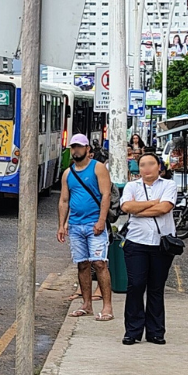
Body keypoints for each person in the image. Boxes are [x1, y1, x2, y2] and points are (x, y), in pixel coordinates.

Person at [119, 153, 177, 345]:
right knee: (135, 285)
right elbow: (126, 206)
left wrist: (139, 209)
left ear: (159, 166)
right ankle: (133, 331)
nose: (147, 168)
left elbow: (164, 209)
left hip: (162, 243)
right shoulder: (131, 186)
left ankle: (156, 332)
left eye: (151, 164)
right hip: (136, 242)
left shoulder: (169, 185)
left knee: (156, 288)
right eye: (142, 164)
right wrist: (154, 202)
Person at [58, 134, 115, 321]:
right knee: (82, 264)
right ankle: (86, 304)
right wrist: (62, 225)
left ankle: (107, 307)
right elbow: (64, 200)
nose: (76, 150)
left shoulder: (98, 168)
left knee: (99, 263)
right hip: (75, 225)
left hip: (94, 224)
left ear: (88, 149)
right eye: (73, 147)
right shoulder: (68, 173)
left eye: (80, 147)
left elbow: (106, 195)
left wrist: (101, 220)